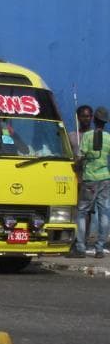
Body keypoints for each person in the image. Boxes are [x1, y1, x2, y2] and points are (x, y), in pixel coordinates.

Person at [71, 106, 110, 258]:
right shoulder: (108, 138)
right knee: (104, 213)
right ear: (105, 122)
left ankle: (80, 247)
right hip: (105, 178)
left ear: (94, 120)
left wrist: (76, 165)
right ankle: (99, 248)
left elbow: (79, 156)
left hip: (89, 179)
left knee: (82, 212)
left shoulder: (87, 137)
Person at [71, 104, 94, 248]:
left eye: (88, 116)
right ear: (78, 118)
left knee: (87, 212)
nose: (86, 119)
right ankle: (73, 239)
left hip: (89, 178)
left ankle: (82, 241)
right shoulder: (73, 136)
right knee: (73, 210)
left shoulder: (95, 136)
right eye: (83, 116)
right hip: (74, 178)